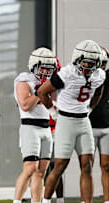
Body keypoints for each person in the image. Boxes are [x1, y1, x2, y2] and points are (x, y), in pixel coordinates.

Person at [38, 40, 105, 203]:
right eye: (85, 62)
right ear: (77, 58)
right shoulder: (67, 73)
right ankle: (45, 201)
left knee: (87, 166)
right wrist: (53, 112)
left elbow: (98, 93)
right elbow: (41, 91)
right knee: (59, 166)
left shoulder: (99, 75)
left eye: (92, 63)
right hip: (66, 121)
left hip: (83, 122)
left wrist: (89, 109)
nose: (88, 66)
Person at [13, 47, 57, 203]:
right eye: (42, 67)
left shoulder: (51, 82)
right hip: (29, 127)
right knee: (30, 168)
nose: (45, 71)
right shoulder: (24, 80)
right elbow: (25, 104)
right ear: (34, 65)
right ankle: (17, 201)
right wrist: (41, 92)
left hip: (46, 128)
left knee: (41, 171)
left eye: (48, 68)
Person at [89, 47, 109, 203]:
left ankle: (107, 200)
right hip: (88, 126)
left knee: (106, 166)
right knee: (86, 167)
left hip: (106, 127)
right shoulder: (86, 76)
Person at [44, 56, 64, 203]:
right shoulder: (38, 80)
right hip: (43, 126)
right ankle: (44, 198)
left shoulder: (63, 80)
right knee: (43, 166)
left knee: (56, 166)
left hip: (57, 126)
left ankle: (59, 199)